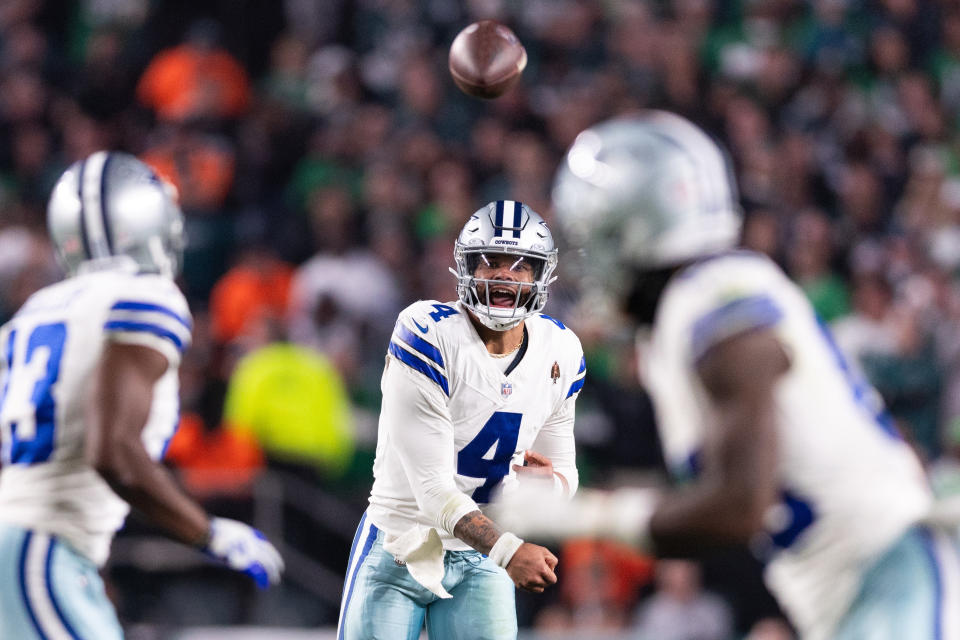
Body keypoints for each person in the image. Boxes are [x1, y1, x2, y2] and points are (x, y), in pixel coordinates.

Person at [493, 111, 960, 640]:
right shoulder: (682, 320)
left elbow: (739, 504)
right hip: (856, 594)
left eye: (599, 237)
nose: (590, 259)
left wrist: (583, 517)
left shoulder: (713, 294)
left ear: (640, 225)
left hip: (891, 571)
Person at [0, 152, 284, 639]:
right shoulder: (145, 295)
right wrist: (207, 531)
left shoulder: (32, 312)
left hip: (36, 544)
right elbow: (113, 453)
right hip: (41, 549)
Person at [337, 200, 584, 640]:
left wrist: (552, 490)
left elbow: (564, 470)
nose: (504, 275)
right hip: (401, 543)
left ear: (540, 275)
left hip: (483, 559)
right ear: (466, 267)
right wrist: (510, 551)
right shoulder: (426, 332)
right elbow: (432, 490)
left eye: (521, 265)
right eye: (490, 262)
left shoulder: (560, 350)